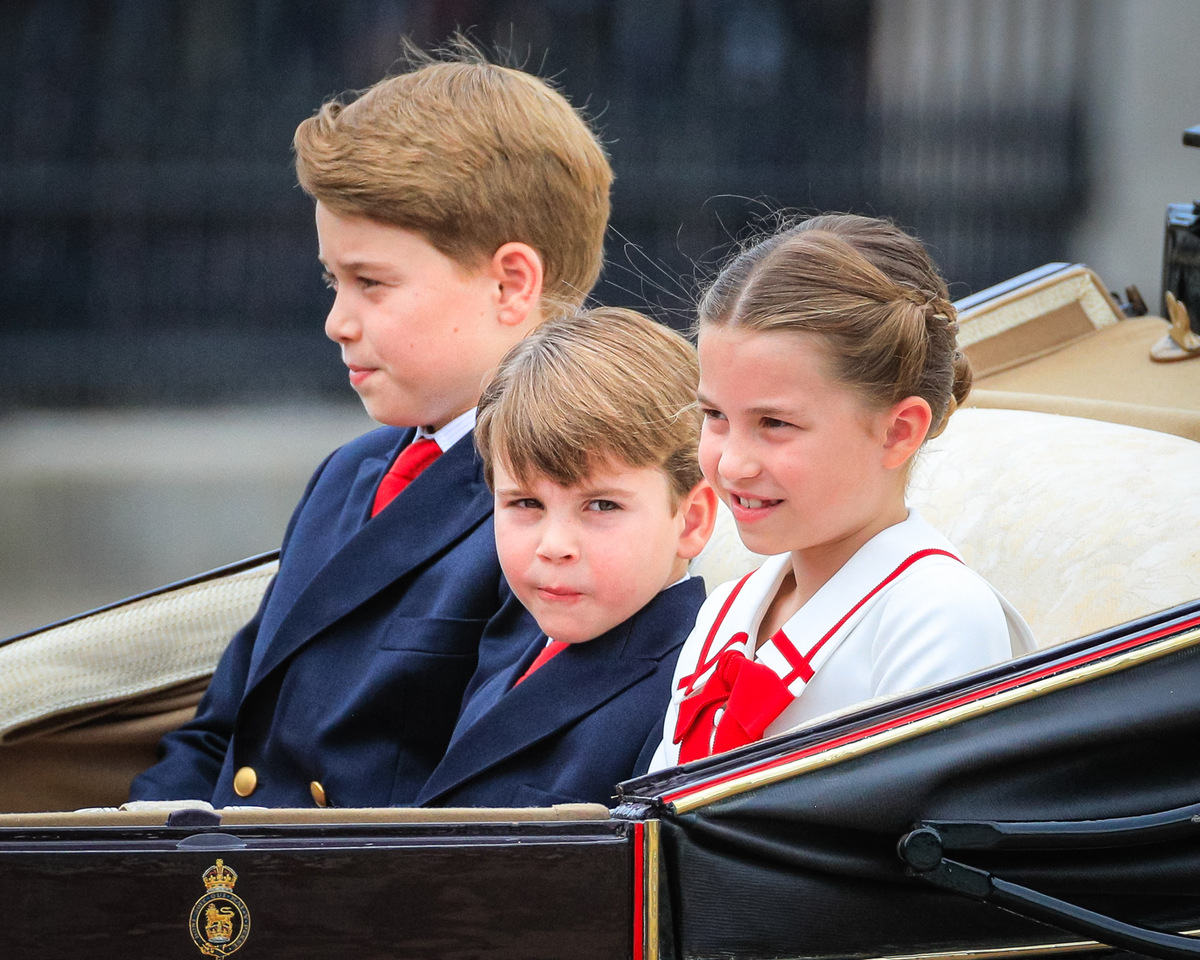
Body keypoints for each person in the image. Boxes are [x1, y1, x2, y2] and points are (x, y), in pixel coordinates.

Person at [128, 47, 613, 808]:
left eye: (371, 283)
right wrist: (132, 841)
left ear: (510, 283)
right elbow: (225, 731)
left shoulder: (562, 508)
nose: (336, 321)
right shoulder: (350, 473)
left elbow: (483, 802)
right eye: (334, 280)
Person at [649, 214, 1035, 771]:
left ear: (898, 431)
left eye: (775, 423)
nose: (731, 463)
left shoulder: (938, 613)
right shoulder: (724, 612)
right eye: (714, 415)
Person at [415, 308, 717, 807]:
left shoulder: (688, 696)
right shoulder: (517, 633)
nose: (554, 545)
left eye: (602, 506)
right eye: (525, 503)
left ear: (691, 521)